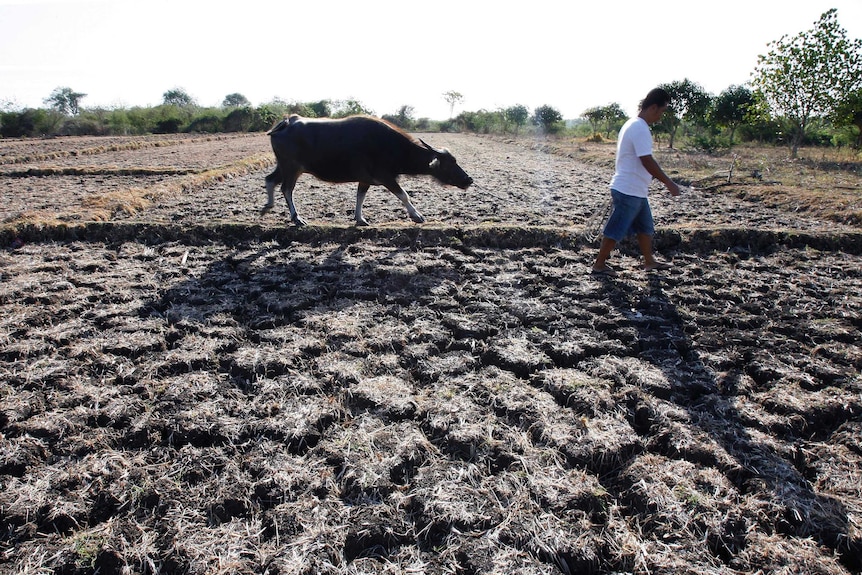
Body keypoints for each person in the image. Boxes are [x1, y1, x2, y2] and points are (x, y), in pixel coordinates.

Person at [591, 88, 681, 276]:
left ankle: (649, 261)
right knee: (616, 228)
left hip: (635, 189)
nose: (661, 116)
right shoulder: (639, 128)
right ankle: (599, 264)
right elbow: (646, 159)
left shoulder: (633, 124)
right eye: (662, 111)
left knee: (645, 226)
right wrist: (668, 182)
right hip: (628, 189)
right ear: (654, 107)